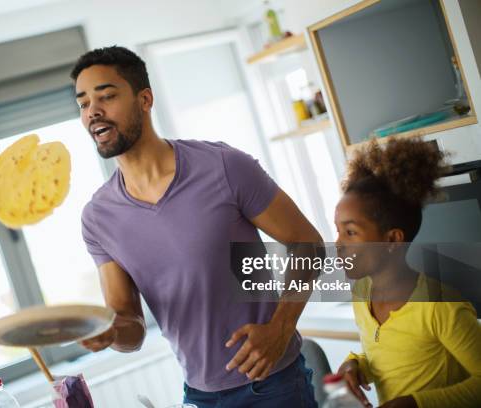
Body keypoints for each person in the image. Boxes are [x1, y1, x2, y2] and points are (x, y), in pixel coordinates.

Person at [72, 46, 322, 407]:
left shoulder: (224, 166)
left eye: (106, 96)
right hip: (200, 396)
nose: (93, 111)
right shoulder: (98, 218)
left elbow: (308, 243)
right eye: (82, 103)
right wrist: (107, 332)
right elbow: (131, 329)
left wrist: (280, 329)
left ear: (145, 99)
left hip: (274, 386)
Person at [334, 138, 481, 408]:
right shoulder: (362, 295)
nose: (338, 244)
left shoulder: (440, 307)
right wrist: (354, 364)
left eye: (351, 232)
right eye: (338, 230)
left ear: (392, 240)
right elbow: (383, 356)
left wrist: (416, 403)